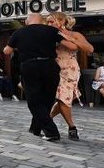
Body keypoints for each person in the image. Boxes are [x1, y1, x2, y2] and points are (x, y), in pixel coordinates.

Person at [4, 13, 76, 141]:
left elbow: (7, 51)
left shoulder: (19, 33)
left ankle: (51, 132)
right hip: (50, 65)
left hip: (30, 65)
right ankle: (36, 128)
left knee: (34, 100)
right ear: (42, 21)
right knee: (48, 98)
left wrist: (19, 47)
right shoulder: (52, 30)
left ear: (27, 21)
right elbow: (71, 46)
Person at [46, 12, 94, 140]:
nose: (49, 24)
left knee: (63, 98)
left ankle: (68, 126)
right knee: (63, 98)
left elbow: (90, 49)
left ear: (62, 21)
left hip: (69, 69)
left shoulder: (75, 34)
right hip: (53, 68)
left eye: (51, 21)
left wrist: (72, 39)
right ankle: (48, 121)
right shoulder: (49, 34)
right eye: (48, 22)